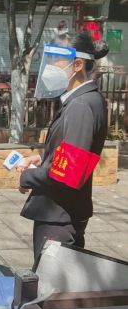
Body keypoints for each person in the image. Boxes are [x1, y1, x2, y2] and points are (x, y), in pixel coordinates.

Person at [18, 31, 109, 262]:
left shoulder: (81, 105)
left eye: (55, 60)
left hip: (59, 217)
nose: (50, 67)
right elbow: (74, 154)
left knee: (49, 282)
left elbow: (67, 173)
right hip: (64, 213)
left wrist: (27, 177)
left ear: (77, 65)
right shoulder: (86, 99)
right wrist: (43, 158)